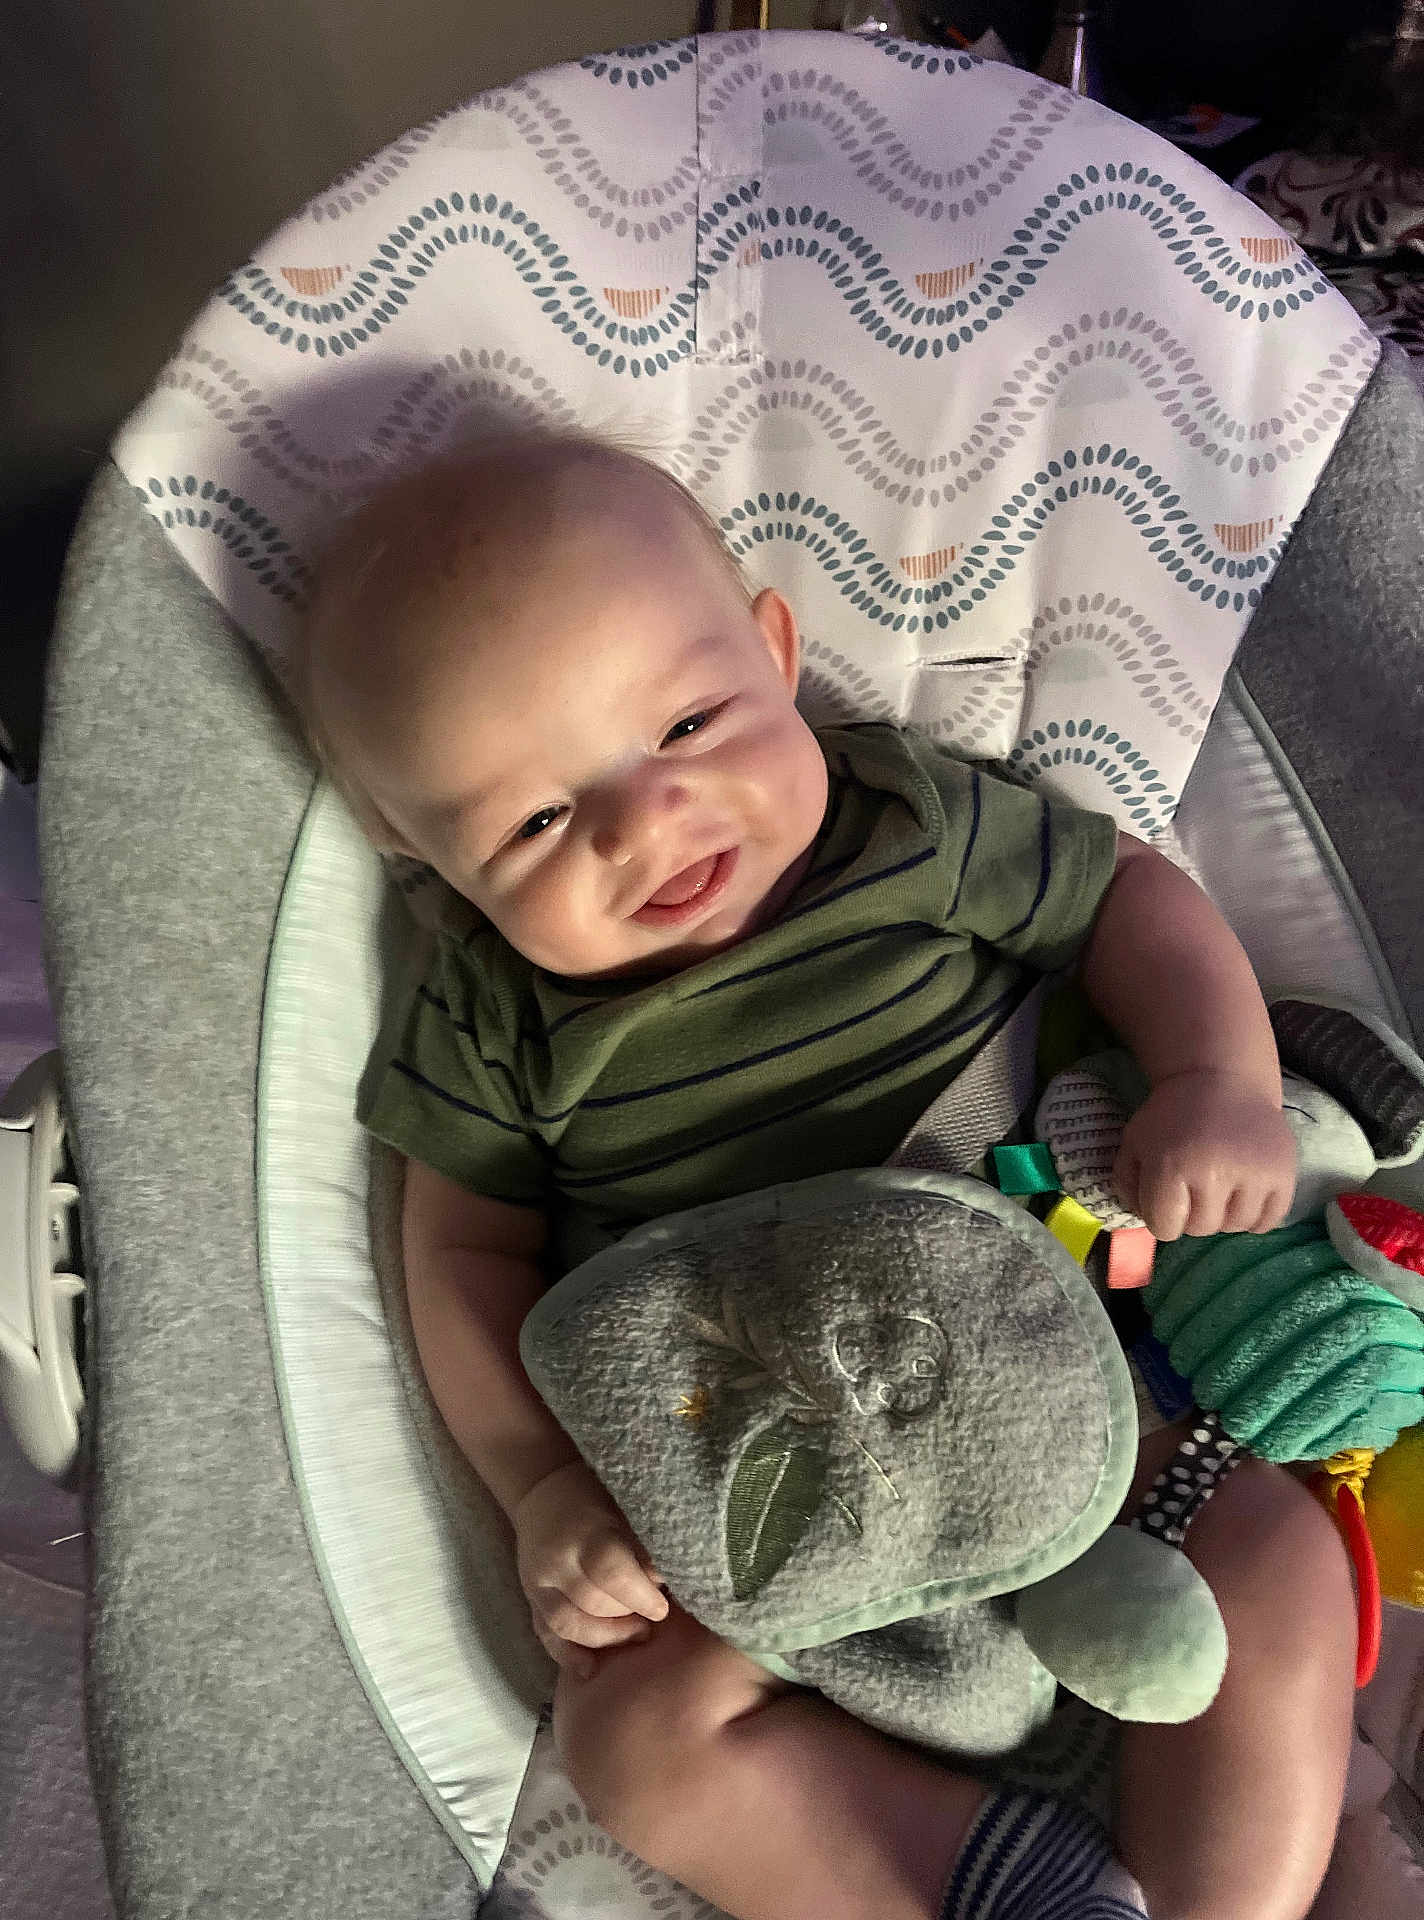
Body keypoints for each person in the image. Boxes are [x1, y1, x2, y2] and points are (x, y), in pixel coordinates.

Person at [295, 431, 1356, 1920]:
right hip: (778, 1526)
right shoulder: (492, 1020)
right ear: (425, 858)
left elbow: (1126, 892)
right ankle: (996, 1889)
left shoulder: (904, 824)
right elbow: (458, 1258)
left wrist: (1218, 1080)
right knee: (637, 1746)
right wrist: (541, 1489)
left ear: (777, 653)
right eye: (534, 822)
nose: (642, 821)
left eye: (688, 724)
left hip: (1093, 1415)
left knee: (1278, 1559)